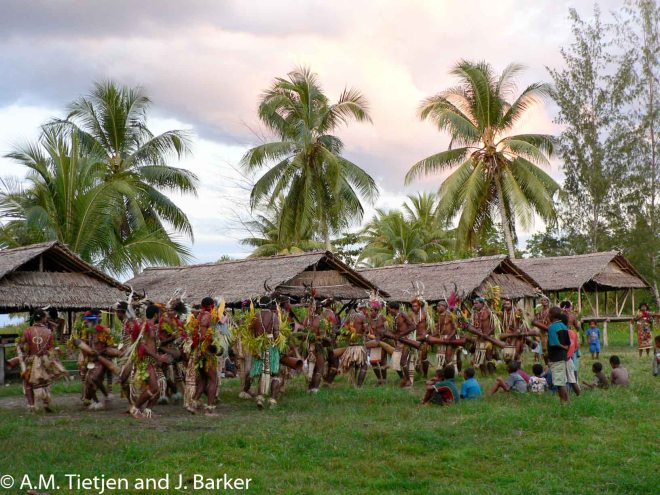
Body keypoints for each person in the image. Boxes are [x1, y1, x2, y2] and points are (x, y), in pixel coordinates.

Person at [12, 309, 68, 412]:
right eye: (46, 317)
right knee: (44, 380)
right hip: (44, 360)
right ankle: (46, 403)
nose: (47, 318)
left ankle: (31, 406)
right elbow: (51, 348)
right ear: (42, 318)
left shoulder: (28, 331)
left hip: (31, 360)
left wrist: (20, 349)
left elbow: (22, 345)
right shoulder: (49, 332)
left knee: (28, 382)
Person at [129, 304, 171, 419]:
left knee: (161, 384)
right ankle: (135, 408)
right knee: (154, 388)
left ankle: (148, 411)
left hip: (154, 361)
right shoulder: (145, 326)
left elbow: (153, 344)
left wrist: (159, 357)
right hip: (146, 361)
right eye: (159, 314)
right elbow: (143, 347)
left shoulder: (153, 327)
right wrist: (158, 357)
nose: (160, 316)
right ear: (155, 315)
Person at [186, 297, 220, 415]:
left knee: (202, 381)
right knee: (213, 380)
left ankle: (192, 404)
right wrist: (212, 348)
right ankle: (209, 409)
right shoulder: (209, 317)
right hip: (206, 352)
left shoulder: (198, 316)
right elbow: (206, 337)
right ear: (211, 306)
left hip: (198, 352)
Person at [249, 297, 284, 409]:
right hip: (271, 347)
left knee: (262, 372)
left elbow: (251, 332)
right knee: (275, 374)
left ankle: (260, 398)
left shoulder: (255, 316)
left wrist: (256, 343)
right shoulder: (274, 316)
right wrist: (280, 344)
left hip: (259, 348)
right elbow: (276, 334)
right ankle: (272, 399)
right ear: (269, 305)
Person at [535, 307, 570, 403]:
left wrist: (563, 347)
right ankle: (566, 401)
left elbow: (554, 343)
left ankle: (564, 402)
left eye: (548, 314)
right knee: (562, 381)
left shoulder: (552, 327)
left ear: (551, 315)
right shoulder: (564, 326)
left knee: (559, 383)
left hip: (556, 357)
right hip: (563, 356)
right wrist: (565, 348)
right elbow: (568, 342)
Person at [338, 304, 369, 387]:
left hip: (351, 345)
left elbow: (343, 330)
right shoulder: (362, 317)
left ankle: (352, 384)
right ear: (360, 308)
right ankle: (359, 386)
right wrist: (363, 333)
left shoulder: (349, 317)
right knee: (364, 365)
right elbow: (366, 330)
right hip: (359, 345)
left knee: (353, 364)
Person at [388, 302, 416, 388]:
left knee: (403, 361)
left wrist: (401, 334)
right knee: (395, 361)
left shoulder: (403, 314)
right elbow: (398, 330)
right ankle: (403, 378)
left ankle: (408, 381)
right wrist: (390, 333)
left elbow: (413, 326)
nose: (389, 311)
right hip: (400, 341)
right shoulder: (395, 317)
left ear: (394, 308)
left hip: (407, 340)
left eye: (390, 309)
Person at [471, 297, 495, 376]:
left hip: (488, 337)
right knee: (480, 356)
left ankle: (491, 373)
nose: (475, 305)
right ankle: (484, 374)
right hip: (479, 338)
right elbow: (473, 327)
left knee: (488, 356)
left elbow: (494, 326)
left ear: (482, 304)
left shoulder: (488, 312)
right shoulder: (474, 314)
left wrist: (488, 334)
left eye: (477, 303)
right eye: (474, 303)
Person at [411, 297, 430, 378]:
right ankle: (420, 374)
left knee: (424, 357)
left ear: (420, 305)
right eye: (413, 306)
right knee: (415, 358)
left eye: (415, 306)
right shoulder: (411, 315)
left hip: (423, 338)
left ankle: (425, 375)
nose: (414, 307)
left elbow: (430, 327)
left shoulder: (425, 314)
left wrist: (426, 334)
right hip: (414, 338)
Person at [532, 296, 551, 365]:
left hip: (549, 331)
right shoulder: (539, 312)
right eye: (542, 300)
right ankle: (547, 364)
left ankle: (551, 363)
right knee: (544, 350)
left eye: (545, 300)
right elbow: (535, 320)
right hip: (542, 332)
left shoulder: (551, 311)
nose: (544, 301)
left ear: (548, 302)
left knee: (549, 348)